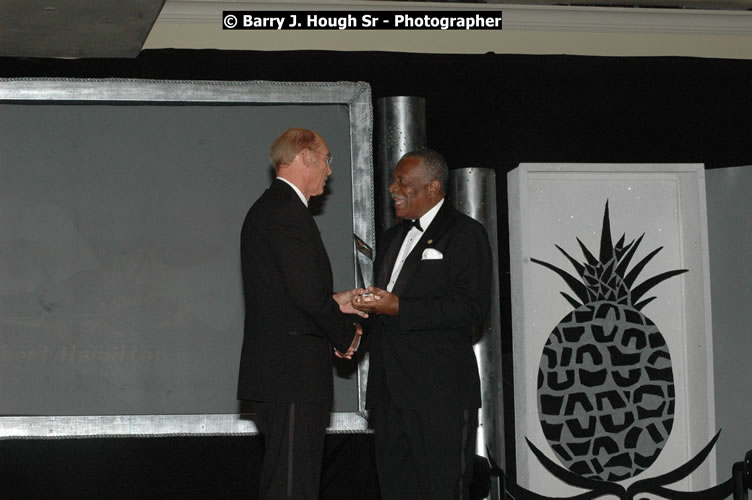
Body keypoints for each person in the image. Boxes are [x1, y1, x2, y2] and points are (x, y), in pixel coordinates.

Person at [353, 149, 492, 500]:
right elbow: (383, 312)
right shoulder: (391, 238)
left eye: (403, 182)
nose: (393, 189)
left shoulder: (465, 233)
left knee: (443, 491)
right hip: (389, 395)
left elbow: (470, 308)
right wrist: (354, 331)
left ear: (433, 188)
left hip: (439, 395)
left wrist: (400, 306)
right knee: (396, 490)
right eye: (394, 180)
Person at [237, 128, 363, 500]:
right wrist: (347, 334)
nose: (329, 170)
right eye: (326, 159)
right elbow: (306, 295)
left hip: (281, 373)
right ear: (305, 156)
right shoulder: (287, 213)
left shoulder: (274, 208)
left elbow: (287, 295)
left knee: (289, 481)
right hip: (290, 374)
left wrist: (337, 301)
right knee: (292, 486)